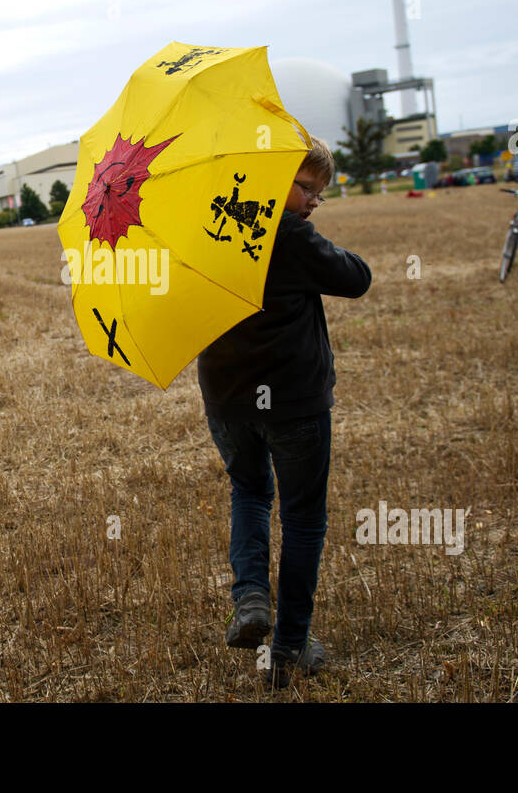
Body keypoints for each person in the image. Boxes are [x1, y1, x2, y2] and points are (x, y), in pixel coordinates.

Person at [196, 136, 372, 689]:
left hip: (225, 399)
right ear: (274, 181)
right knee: (302, 518)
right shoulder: (290, 234)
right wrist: (303, 231)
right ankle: (291, 645)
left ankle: (250, 596)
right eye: (308, 189)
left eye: (321, 193)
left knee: (248, 491)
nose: (315, 201)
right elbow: (357, 278)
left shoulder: (203, 230)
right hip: (293, 400)